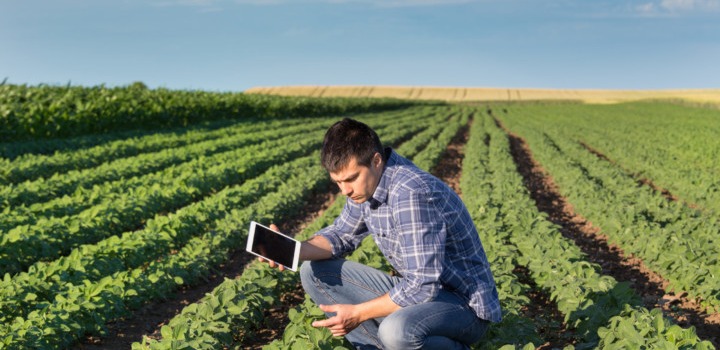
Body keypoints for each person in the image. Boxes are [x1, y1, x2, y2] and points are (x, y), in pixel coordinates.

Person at [261, 118, 501, 349]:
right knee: (313, 271)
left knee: (396, 331)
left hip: (463, 307)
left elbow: (423, 286)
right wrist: (292, 248)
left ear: (376, 161)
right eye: (337, 182)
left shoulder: (410, 193)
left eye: (351, 178)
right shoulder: (365, 187)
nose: (344, 190)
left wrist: (357, 314)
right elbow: (340, 235)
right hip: (425, 294)